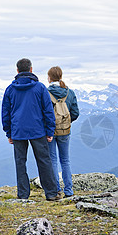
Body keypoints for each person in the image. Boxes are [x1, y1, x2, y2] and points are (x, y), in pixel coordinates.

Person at [1, 58, 60, 201]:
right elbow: (48, 111)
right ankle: (51, 193)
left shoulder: (10, 89)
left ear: (17, 71)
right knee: (44, 161)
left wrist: (8, 132)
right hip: (38, 130)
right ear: (31, 69)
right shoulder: (39, 88)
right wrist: (50, 130)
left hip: (18, 131)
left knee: (20, 163)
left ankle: (23, 195)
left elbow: (6, 113)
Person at [47, 66, 79, 197]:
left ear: (49, 78)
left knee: (52, 160)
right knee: (65, 160)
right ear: (61, 76)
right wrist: (66, 122)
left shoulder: (45, 92)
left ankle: (56, 191)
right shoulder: (69, 92)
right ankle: (69, 190)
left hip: (50, 131)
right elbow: (75, 113)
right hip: (65, 131)